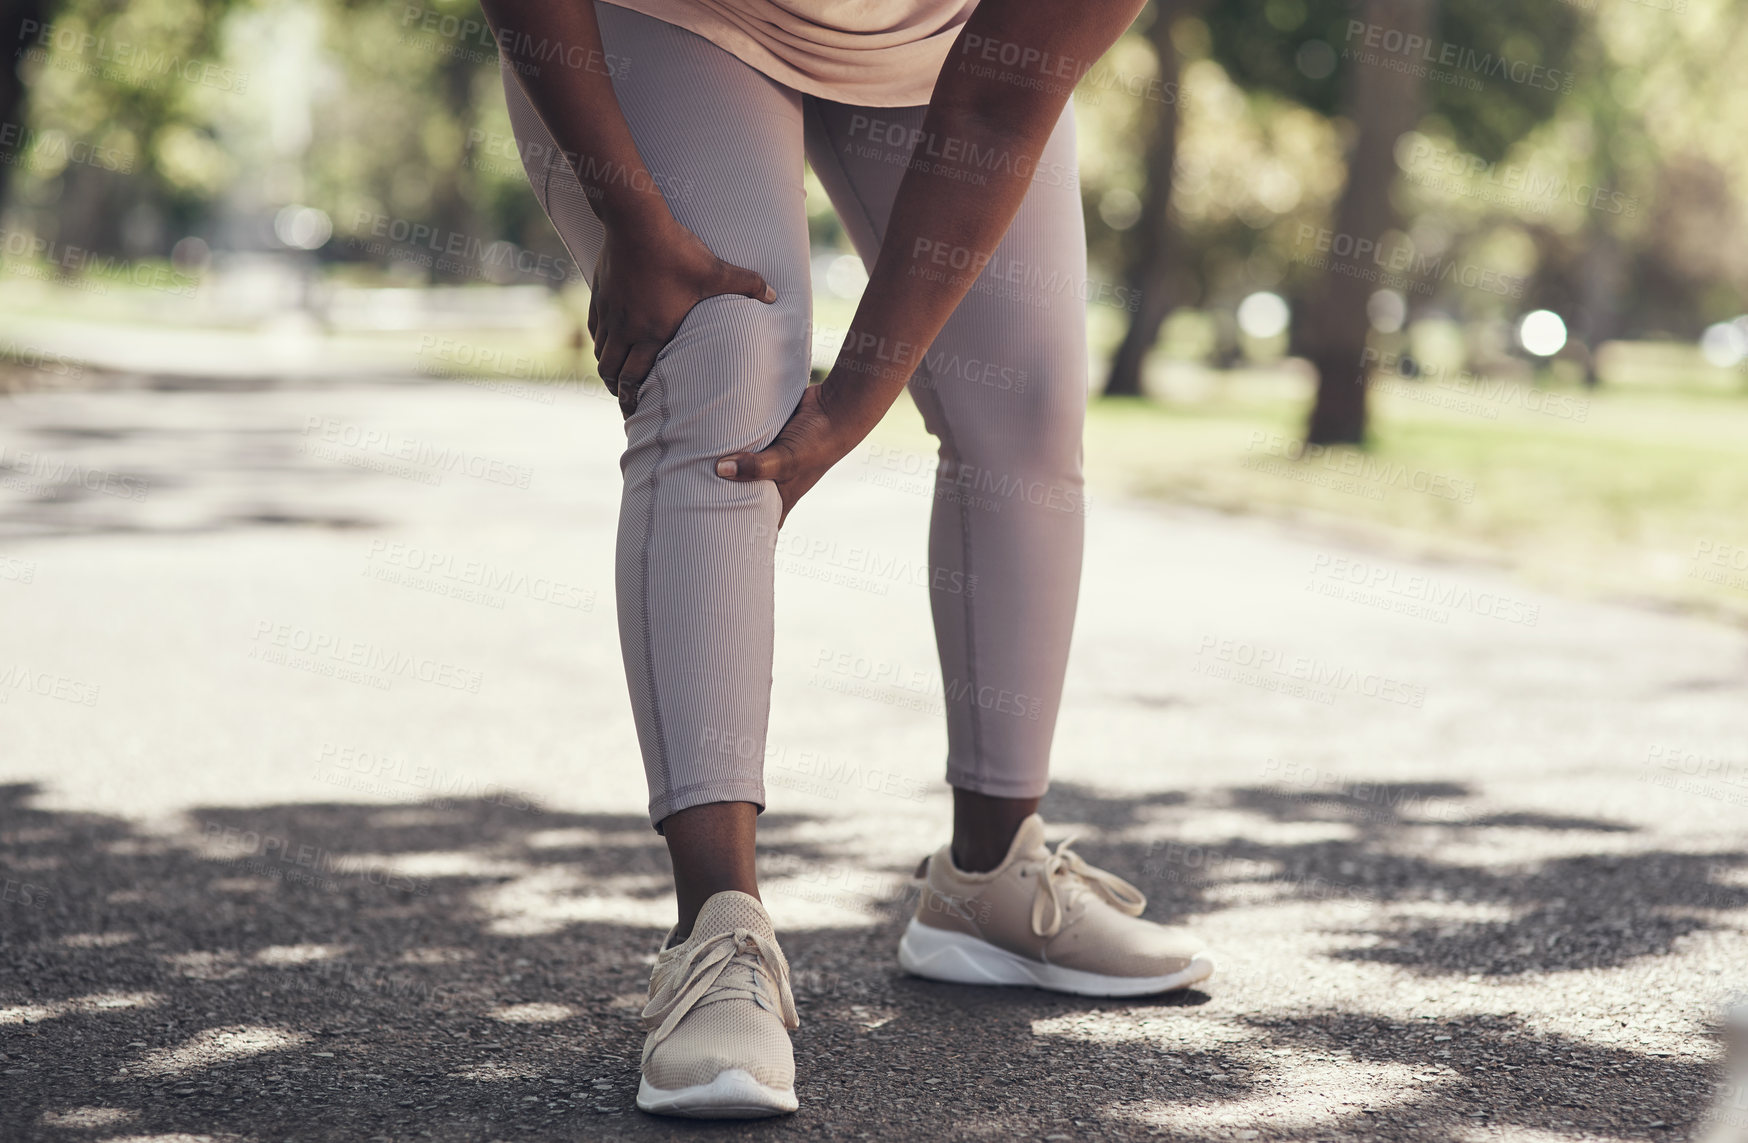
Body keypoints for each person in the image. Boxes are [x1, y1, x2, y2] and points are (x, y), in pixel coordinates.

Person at [478, 0, 1215, 1118]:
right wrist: (630, 217)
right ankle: (715, 935)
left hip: (930, 55)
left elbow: (998, 94)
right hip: (675, 20)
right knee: (716, 356)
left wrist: (858, 397)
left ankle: (989, 876)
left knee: (1023, 406)